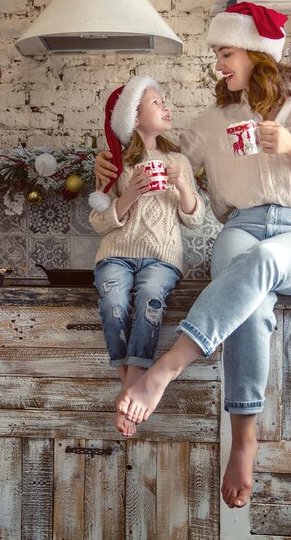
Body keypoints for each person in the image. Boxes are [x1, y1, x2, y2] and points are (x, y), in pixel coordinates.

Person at [94, 2, 291, 506]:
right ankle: (244, 439)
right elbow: (159, 151)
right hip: (241, 226)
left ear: (258, 54)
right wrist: (111, 155)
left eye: (225, 52)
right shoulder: (216, 118)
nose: (217, 63)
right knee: (251, 300)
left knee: (262, 264)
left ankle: (165, 369)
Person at [89, 75, 204, 437]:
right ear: (133, 118)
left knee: (150, 302)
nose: (166, 106)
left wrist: (183, 185)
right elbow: (98, 221)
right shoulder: (114, 162)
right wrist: (129, 196)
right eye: (156, 103)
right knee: (113, 304)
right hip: (117, 255)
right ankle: (133, 389)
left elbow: (195, 219)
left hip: (162, 257)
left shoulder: (178, 160)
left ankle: (129, 390)